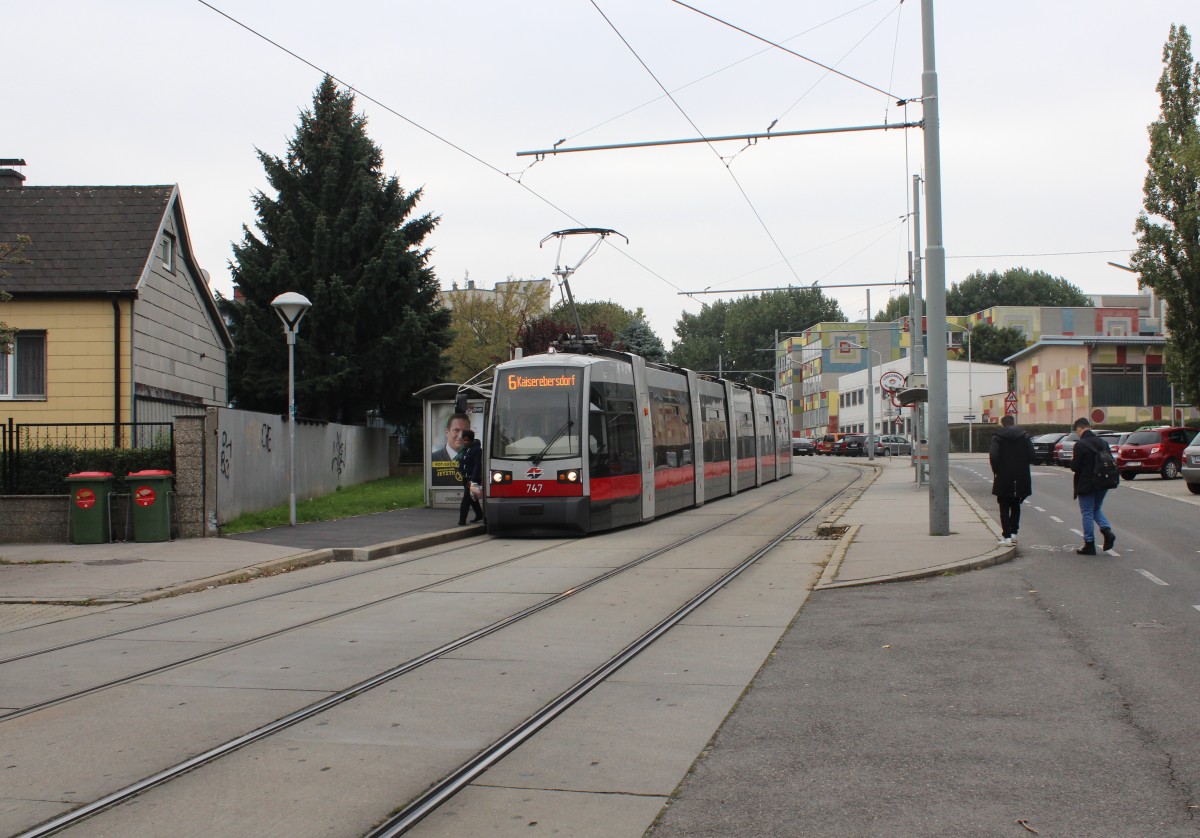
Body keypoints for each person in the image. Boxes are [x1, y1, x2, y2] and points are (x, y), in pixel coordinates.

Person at [1070, 417, 1116, 555]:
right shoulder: (1103, 442)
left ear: (1079, 429)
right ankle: (1106, 530)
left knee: (1087, 512)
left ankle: (1089, 544)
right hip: (1103, 482)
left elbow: (1075, 467)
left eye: (1077, 431)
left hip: (1086, 483)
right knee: (1096, 508)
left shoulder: (1080, 445)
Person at [989, 414, 1034, 546]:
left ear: (1002, 424)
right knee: (1016, 504)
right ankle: (1014, 533)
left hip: (1004, 475)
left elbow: (994, 455)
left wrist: (996, 470)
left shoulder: (997, 437)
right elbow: (1032, 455)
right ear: (1013, 423)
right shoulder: (1024, 436)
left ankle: (1006, 536)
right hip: (1021, 476)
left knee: (1004, 505)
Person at [457, 428, 484, 526]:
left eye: (467, 440)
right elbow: (463, 461)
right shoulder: (465, 449)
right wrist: (460, 470)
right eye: (464, 440)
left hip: (472, 478)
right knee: (472, 498)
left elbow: (477, 465)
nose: (465, 442)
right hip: (465, 477)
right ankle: (479, 514)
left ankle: (462, 520)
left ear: (471, 440)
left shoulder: (476, 449)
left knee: (466, 499)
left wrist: (472, 480)